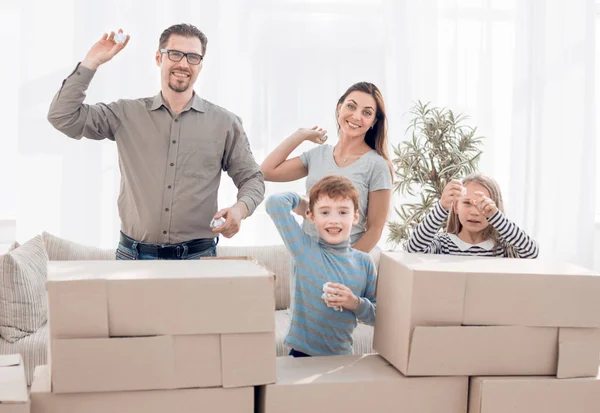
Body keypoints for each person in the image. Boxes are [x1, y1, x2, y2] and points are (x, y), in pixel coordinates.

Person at [47, 24, 264, 260]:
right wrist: (91, 62)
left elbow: (252, 178)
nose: (183, 63)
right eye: (175, 54)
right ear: (159, 58)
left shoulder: (225, 123)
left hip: (198, 258)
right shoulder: (125, 114)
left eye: (192, 57)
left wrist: (239, 210)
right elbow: (63, 116)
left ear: (200, 65)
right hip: (134, 257)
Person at [260, 82, 393, 255]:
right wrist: (301, 134)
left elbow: (375, 229)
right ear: (339, 108)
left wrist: (344, 265)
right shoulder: (317, 155)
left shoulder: (377, 166)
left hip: (344, 264)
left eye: (366, 112)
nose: (356, 116)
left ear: (374, 121)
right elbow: (266, 171)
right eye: (351, 106)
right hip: (306, 260)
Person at [265, 175, 377, 357]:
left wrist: (354, 302)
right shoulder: (303, 250)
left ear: (355, 216)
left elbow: (376, 316)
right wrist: (302, 203)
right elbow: (274, 203)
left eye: (342, 212)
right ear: (311, 216)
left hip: (343, 356)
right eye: (325, 212)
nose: (334, 220)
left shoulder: (365, 262)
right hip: (302, 355)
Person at [407, 173, 539, 258]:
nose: (475, 212)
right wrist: (442, 206)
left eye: (482, 205)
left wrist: (495, 217)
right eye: (467, 203)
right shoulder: (443, 244)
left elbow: (531, 251)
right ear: (456, 207)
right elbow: (413, 248)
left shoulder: (503, 248)